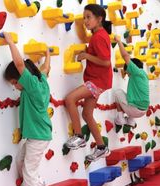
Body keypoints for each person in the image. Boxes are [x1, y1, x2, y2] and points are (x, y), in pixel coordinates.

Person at [3, 32, 52, 186]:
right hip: (37, 135)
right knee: (20, 160)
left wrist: (10, 42)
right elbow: (46, 69)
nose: (15, 87)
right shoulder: (42, 81)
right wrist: (47, 53)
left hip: (38, 136)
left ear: (23, 78)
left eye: (15, 82)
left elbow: (19, 65)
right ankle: (38, 183)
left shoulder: (31, 85)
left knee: (29, 169)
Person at [64, 4, 112, 161]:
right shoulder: (98, 35)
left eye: (88, 17)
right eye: (84, 17)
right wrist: (87, 51)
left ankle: (79, 136)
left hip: (97, 81)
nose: (85, 21)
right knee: (86, 113)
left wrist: (86, 56)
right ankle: (101, 147)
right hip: (99, 81)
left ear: (99, 19)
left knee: (70, 99)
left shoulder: (99, 36)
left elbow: (105, 62)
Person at [114, 36, 150, 127]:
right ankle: (131, 121)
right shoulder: (145, 75)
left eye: (127, 73)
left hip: (135, 109)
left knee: (118, 93)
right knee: (132, 97)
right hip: (144, 110)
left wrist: (119, 41)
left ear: (131, 69)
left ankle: (120, 118)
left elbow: (125, 56)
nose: (128, 75)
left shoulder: (136, 72)